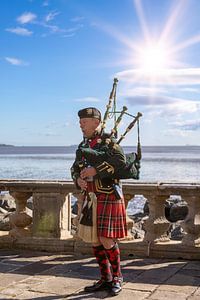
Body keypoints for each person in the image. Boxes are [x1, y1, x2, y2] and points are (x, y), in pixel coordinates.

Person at [71, 107, 127, 296]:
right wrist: (78, 179)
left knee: (106, 239)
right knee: (95, 239)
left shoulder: (109, 141)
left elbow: (121, 162)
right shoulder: (83, 144)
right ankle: (106, 278)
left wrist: (96, 171)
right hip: (91, 197)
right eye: (80, 122)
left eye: (84, 121)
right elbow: (75, 168)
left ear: (96, 122)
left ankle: (118, 277)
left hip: (109, 194)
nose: (80, 124)